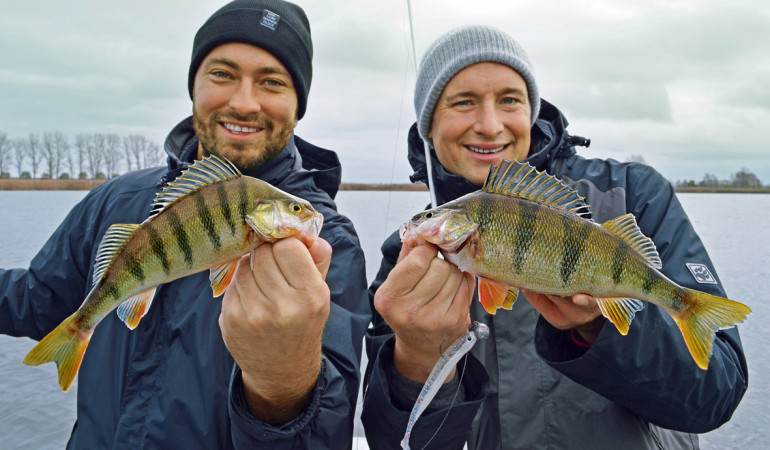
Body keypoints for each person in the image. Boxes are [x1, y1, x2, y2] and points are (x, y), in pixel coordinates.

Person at [0, 1, 370, 448]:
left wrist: (284, 381)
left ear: (298, 104)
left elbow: (331, 430)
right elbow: (37, 300)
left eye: (271, 81)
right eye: (222, 74)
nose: (243, 101)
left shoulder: (330, 242)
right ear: (193, 84)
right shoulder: (116, 201)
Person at [361, 25, 748, 449]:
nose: (490, 126)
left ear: (532, 111)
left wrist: (599, 328)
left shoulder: (632, 195)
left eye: (509, 100)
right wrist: (418, 356)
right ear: (428, 127)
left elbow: (716, 396)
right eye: (463, 102)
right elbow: (396, 442)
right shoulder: (406, 261)